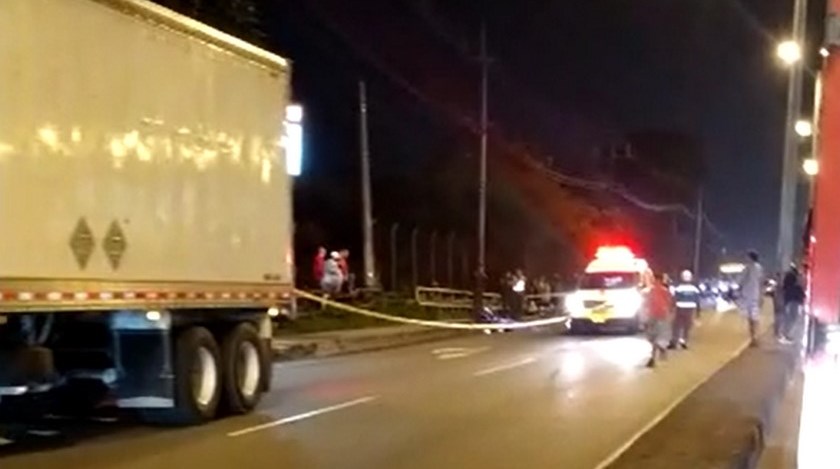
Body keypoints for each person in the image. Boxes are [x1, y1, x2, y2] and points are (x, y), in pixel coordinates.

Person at [645, 272, 674, 368]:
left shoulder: (658, 291)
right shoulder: (653, 291)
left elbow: (669, 304)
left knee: (655, 337)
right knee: (654, 337)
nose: (655, 282)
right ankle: (661, 349)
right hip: (655, 316)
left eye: (657, 280)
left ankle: (653, 358)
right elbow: (670, 304)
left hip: (659, 316)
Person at [738, 250, 765, 347]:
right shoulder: (759, 268)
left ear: (750, 258)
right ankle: (755, 337)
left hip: (748, 295)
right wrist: (762, 295)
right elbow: (761, 281)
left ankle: (753, 337)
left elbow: (740, 281)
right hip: (756, 295)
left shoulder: (747, 268)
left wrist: (739, 289)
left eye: (747, 257)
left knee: (751, 318)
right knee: (755, 317)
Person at [670, 269, 701, 350]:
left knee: (676, 326)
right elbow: (697, 301)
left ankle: (674, 341)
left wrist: (671, 309)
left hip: (680, 309)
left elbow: (675, 299)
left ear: (682, 277)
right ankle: (684, 341)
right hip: (690, 310)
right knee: (686, 327)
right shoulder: (694, 289)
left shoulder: (679, 288)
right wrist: (698, 313)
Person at [780, 264, 805, 343]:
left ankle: (785, 335)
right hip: (794, 301)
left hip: (790, 300)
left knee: (789, 318)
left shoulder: (789, 281)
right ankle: (785, 335)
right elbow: (800, 292)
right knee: (792, 319)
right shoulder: (794, 282)